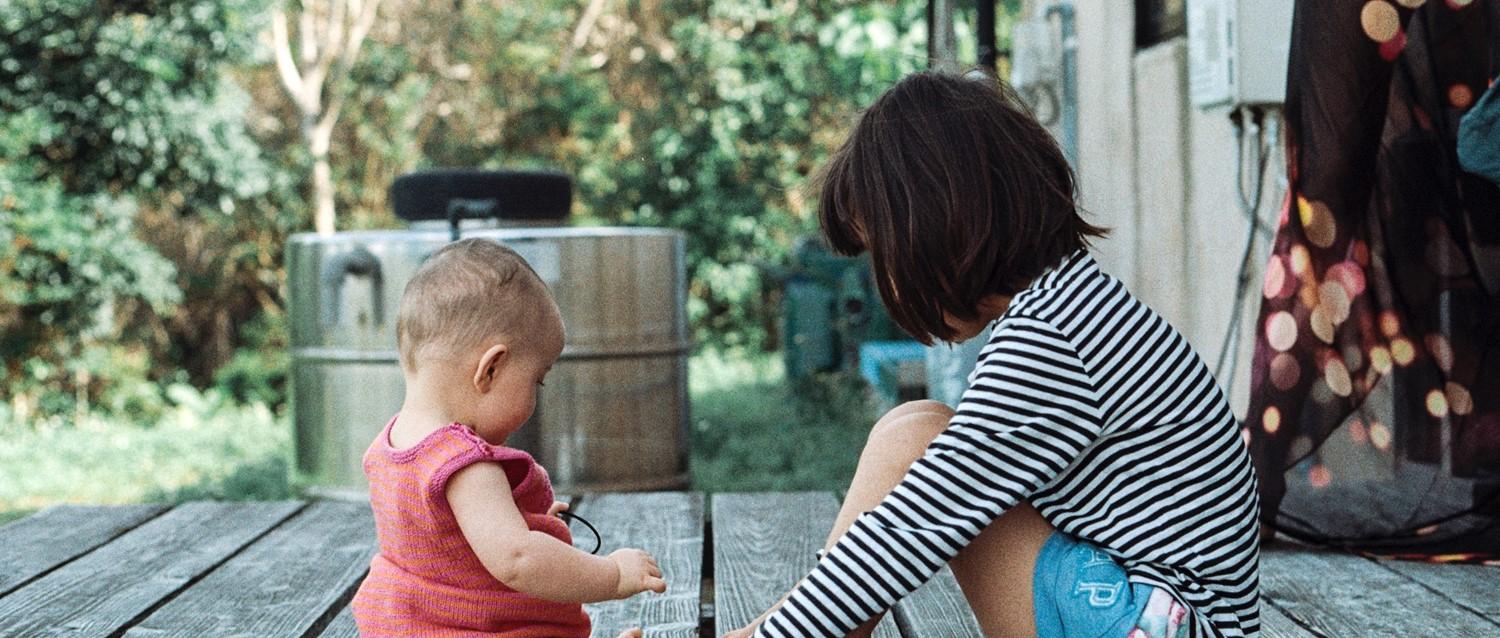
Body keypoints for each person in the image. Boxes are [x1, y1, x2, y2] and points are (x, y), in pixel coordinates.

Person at [724, 71, 1261, 638]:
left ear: (936, 226)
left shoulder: (1052, 338)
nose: (887, 284)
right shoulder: (1071, 305)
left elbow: (913, 525)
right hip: (1150, 613)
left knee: (918, 451)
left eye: (884, 254)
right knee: (914, 426)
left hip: (1161, 624)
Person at [352, 237, 666, 638]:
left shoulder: (387, 448)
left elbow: (443, 551)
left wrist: (520, 519)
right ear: (491, 369)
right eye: (538, 379)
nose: (537, 395)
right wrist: (614, 574)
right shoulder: (462, 463)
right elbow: (519, 558)